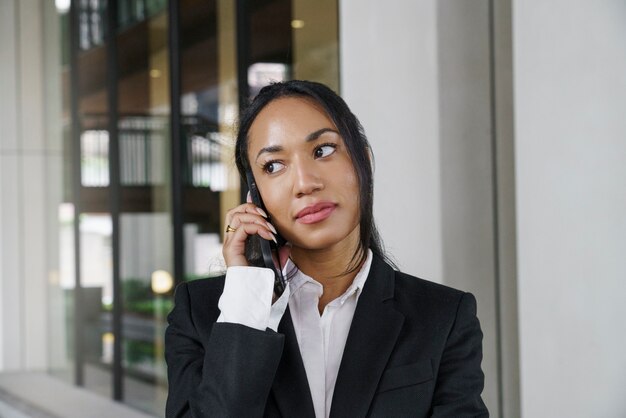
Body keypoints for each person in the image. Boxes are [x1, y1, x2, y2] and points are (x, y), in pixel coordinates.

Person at [165, 80, 489, 417]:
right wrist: (248, 304)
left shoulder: (442, 316)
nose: (305, 183)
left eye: (323, 150)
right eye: (273, 166)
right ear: (255, 196)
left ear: (364, 163)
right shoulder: (201, 315)